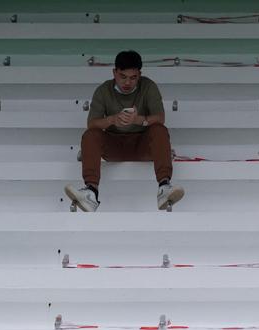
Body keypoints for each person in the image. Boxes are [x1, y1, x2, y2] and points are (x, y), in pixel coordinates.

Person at [65, 50, 184, 211]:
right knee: (91, 135)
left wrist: (139, 120)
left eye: (133, 78)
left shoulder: (148, 86)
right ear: (114, 72)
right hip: (114, 145)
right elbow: (91, 123)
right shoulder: (103, 90)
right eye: (123, 77)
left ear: (139, 75)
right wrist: (112, 120)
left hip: (142, 145)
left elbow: (160, 118)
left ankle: (164, 186)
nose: (128, 82)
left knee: (159, 130)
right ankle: (91, 192)